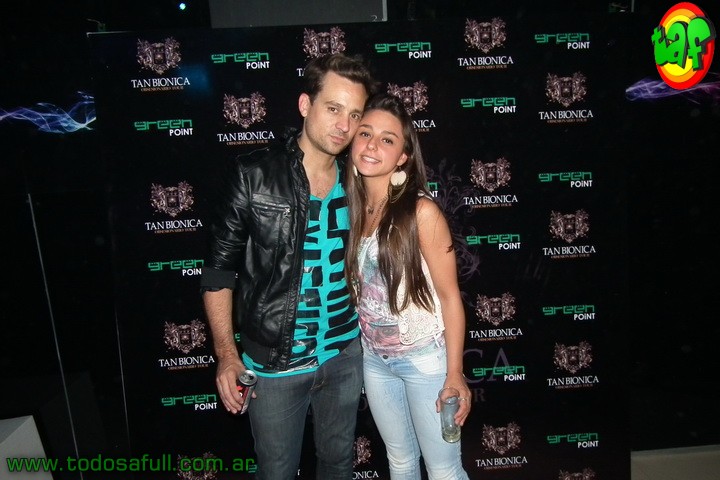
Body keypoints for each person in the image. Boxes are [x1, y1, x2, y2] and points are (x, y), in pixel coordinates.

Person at [200, 53, 377, 480]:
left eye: (354, 115)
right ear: (305, 105)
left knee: (338, 464)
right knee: (277, 472)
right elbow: (218, 272)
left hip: (344, 355)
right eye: (333, 108)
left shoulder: (360, 178)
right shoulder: (254, 175)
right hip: (275, 366)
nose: (344, 125)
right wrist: (226, 355)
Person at [345, 93, 471, 480]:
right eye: (365, 133)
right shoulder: (350, 206)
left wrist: (455, 373)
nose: (372, 145)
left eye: (387, 139)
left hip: (424, 361)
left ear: (403, 156)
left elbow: (450, 297)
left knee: (444, 470)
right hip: (374, 360)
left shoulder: (422, 212)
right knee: (400, 463)